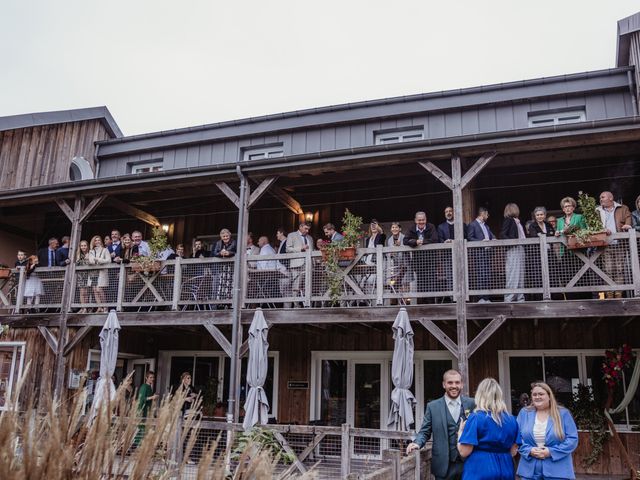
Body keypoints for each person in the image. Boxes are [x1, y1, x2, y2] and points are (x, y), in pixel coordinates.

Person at [406, 370, 475, 480]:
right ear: (444, 384)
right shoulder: (433, 407)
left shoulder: (472, 404)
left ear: (462, 384)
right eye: (450, 383)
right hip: (443, 467)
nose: (454, 386)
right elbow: (425, 431)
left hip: (468, 463)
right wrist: (417, 443)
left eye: (457, 383)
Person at [457, 378, 519, 480]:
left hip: (480, 470)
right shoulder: (512, 419)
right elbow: (513, 452)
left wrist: (460, 433)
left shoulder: (476, 417)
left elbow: (464, 452)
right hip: (506, 469)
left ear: (480, 395)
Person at [516, 382, 579, 480]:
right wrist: (529, 450)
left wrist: (550, 452)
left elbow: (572, 439)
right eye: (534, 394)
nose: (537, 397)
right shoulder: (524, 413)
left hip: (558, 471)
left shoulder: (563, 413)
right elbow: (517, 437)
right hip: (529, 471)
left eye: (541, 394)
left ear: (549, 396)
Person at [596, 191, 632, 299]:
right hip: (605, 244)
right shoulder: (597, 210)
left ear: (611, 198)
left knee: (619, 269)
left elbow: (628, 218)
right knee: (608, 269)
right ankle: (610, 294)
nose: (601, 199)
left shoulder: (623, 208)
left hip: (620, 244)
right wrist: (602, 230)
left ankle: (618, 294)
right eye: (600, 197)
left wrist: (627, 225)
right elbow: (594, 226)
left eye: (602, 197)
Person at [404, 211, 438, 300]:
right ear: (415, 220)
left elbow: (435, 240)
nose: (421, 222)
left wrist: (422, 242)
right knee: (421, 285)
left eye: (423, 220)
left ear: (426, 220)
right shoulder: (411, 228)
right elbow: (405, 240)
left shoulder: (431, 227)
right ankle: (422, 306)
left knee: (431, 284)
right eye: (419, 220)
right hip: (418, 262)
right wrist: (415, 242)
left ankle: (431, 306)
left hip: (431, 261)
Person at [467, 207, 495, 303]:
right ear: (482, 214)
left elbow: (491, 236)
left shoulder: (486, 226)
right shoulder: (472, 225)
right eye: (487, 214)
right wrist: (481, 241)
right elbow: (470, 238)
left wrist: (494, 239)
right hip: (479, 254)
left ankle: (486, 298)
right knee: (481, 275)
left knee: (487, 275)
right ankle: (481, 298)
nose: (488, 216)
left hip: (488, 254)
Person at [500, 203, 526, 303]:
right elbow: (503, 234)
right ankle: (509, 298)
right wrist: (513, 242)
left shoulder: (518, 221)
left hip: (521, 249)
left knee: (521, 274)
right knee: (513, 274)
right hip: (514, 249)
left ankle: (520, 297)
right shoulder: (509, 220)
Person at [286, 222, 314, 304]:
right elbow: (288, 249)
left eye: (308, 229)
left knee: (308, 286)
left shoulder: (310, 238)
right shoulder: (292, 235)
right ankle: (296, 305)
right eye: (306, 228)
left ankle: (308, 305)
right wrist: (300, 248)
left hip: (309, 265)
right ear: (300, 227)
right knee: (296, 286)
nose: (307, 231)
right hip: (297, 264)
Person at [88, 235, 111, 313]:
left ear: (101, 241)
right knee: (94, 290)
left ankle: (105, 306)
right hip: (93, 273)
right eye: (95, 240)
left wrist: (98, 260)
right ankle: (99, 307)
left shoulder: (105, 250)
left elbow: (108, 260)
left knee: (99, 289)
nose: (97, 242)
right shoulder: (91, 251)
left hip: (102, 272)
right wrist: (94, 261)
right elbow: (90, 261)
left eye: (98, 240)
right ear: (93, 242)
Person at [212, 229, 237, 301]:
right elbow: (214, 253)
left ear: (230, 235)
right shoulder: (218, 243)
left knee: (230, 285)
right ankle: (221, 302)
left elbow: (237, 252)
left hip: (231, 267)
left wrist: (229, 253)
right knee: (221, 285)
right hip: (221, 268)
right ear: (221, 237)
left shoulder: (234, 242)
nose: (225, 238)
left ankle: (230, 301)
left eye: (227, 236)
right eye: (224, 236)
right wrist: (220, 253)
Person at [75, 240, 91, 313]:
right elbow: (76, 263)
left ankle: (87, 307)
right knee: (82, 292)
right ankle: (83, 307)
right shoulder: (78, 255)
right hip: (81, 275)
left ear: (87, 246)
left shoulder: (90, 253)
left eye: (85, 245)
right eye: (82, 246)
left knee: (87, 292)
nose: (83, 247)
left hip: (89, 275)